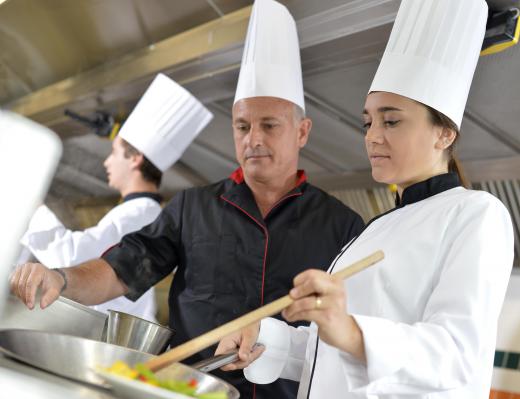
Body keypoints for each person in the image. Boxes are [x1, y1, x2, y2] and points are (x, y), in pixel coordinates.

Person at [9, 1, 364, 397]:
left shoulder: (344, 227)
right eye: (242, 126)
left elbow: (355, 331)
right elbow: (120, 268)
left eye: (269, 125)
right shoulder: (193, 207)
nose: (253, 139)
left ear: (302, 131)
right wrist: (61, 278)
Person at [215, 1, 515, 398]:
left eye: (391, 120)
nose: (372, 136)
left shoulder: (478, 215)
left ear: (444, 133)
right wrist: (267, 337)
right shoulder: (379, 226)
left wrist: (351, 331)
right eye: (368, 122)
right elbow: (337, 355)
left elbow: (456, 356)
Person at [15, 73, 213, 321]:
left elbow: (70, 258)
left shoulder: (139, 215)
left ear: (135, 158)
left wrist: (31, 205)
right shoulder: (136, 211)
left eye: (115, 152)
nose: (107, 161)